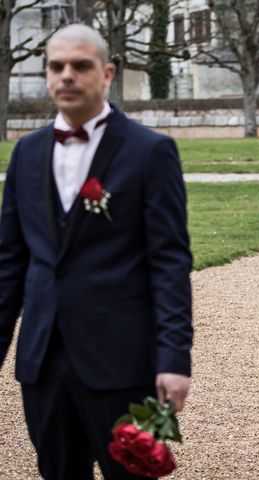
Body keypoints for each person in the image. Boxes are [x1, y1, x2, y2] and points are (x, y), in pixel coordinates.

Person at [0, 24, 193, 478]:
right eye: (56, 66)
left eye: (80, 66)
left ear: (106, 73)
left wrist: (173, 359)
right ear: (47, 75)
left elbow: (169, 262)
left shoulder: (151, 152)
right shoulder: (25, 154)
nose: (67, 75)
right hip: (42, 361)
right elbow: (9, 263)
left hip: (122, 361)